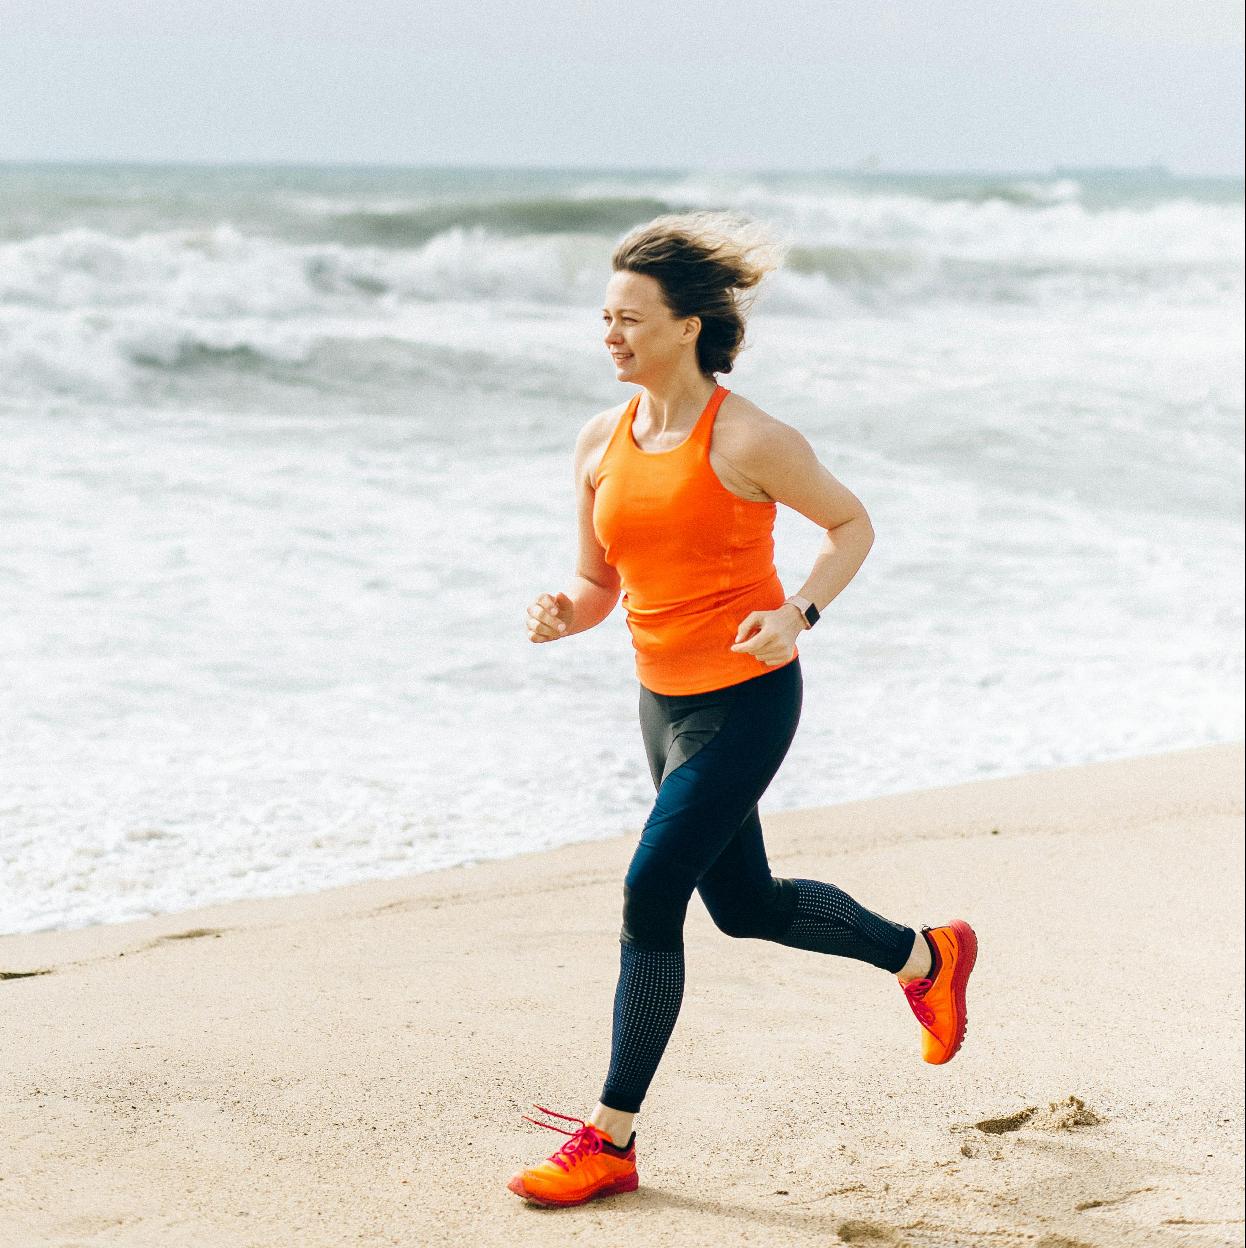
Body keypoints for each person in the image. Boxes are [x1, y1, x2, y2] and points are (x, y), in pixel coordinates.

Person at [508, 211, 977, 1208]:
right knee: (745, 907)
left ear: (687, 327)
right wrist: (563, 615)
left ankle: (611, 1139)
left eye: (630, 318)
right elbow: (598, 584)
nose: (610, 334)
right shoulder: (599, 441)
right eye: (605, 317)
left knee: (651, 891)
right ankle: (926, 956)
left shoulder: (751, 437)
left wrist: (799, 611)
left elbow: (850, 524)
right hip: (662, 701)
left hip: (748, 700)